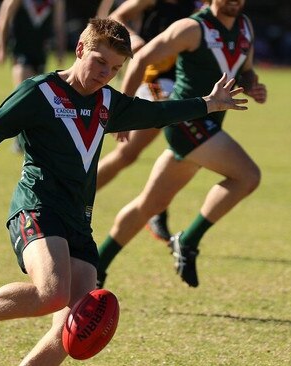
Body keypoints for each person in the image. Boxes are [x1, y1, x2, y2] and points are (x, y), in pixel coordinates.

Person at [0, 18, 247, 364]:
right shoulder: (39, 93)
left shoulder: (108, 103)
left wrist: (208, 104)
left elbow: (157, 112)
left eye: (114, 69)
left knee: (71, 326)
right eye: (99, 62)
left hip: (78, 221)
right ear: (79, 49)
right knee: (52, 293)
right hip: (38, 207)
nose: (104, 74)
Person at [96, 0, 267, 289]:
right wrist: (121, 111)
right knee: (248, 176)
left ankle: (97, 266)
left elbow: (244, 70)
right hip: (188, 122)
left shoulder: (245, 27)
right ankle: (188, 241)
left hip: (209, 124)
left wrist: (252, 85)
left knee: (150, 205)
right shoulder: (192, 28)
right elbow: (141, 58)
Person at [96, 0, 202, 243]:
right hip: (156, 80)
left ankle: (155, 208)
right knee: (128, 153)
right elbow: (116, 17)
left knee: (186, 148)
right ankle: (75, 198)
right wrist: (132, 39)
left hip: (186, 84)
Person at [0, 0, 66, 153]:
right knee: (23, 94)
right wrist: (0, 48)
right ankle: (19, 140)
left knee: (37, 97)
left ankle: (31, 137)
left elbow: (58, 25)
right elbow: (3, 18)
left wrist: (60, 49)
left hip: (40, 54)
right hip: (21, 52)